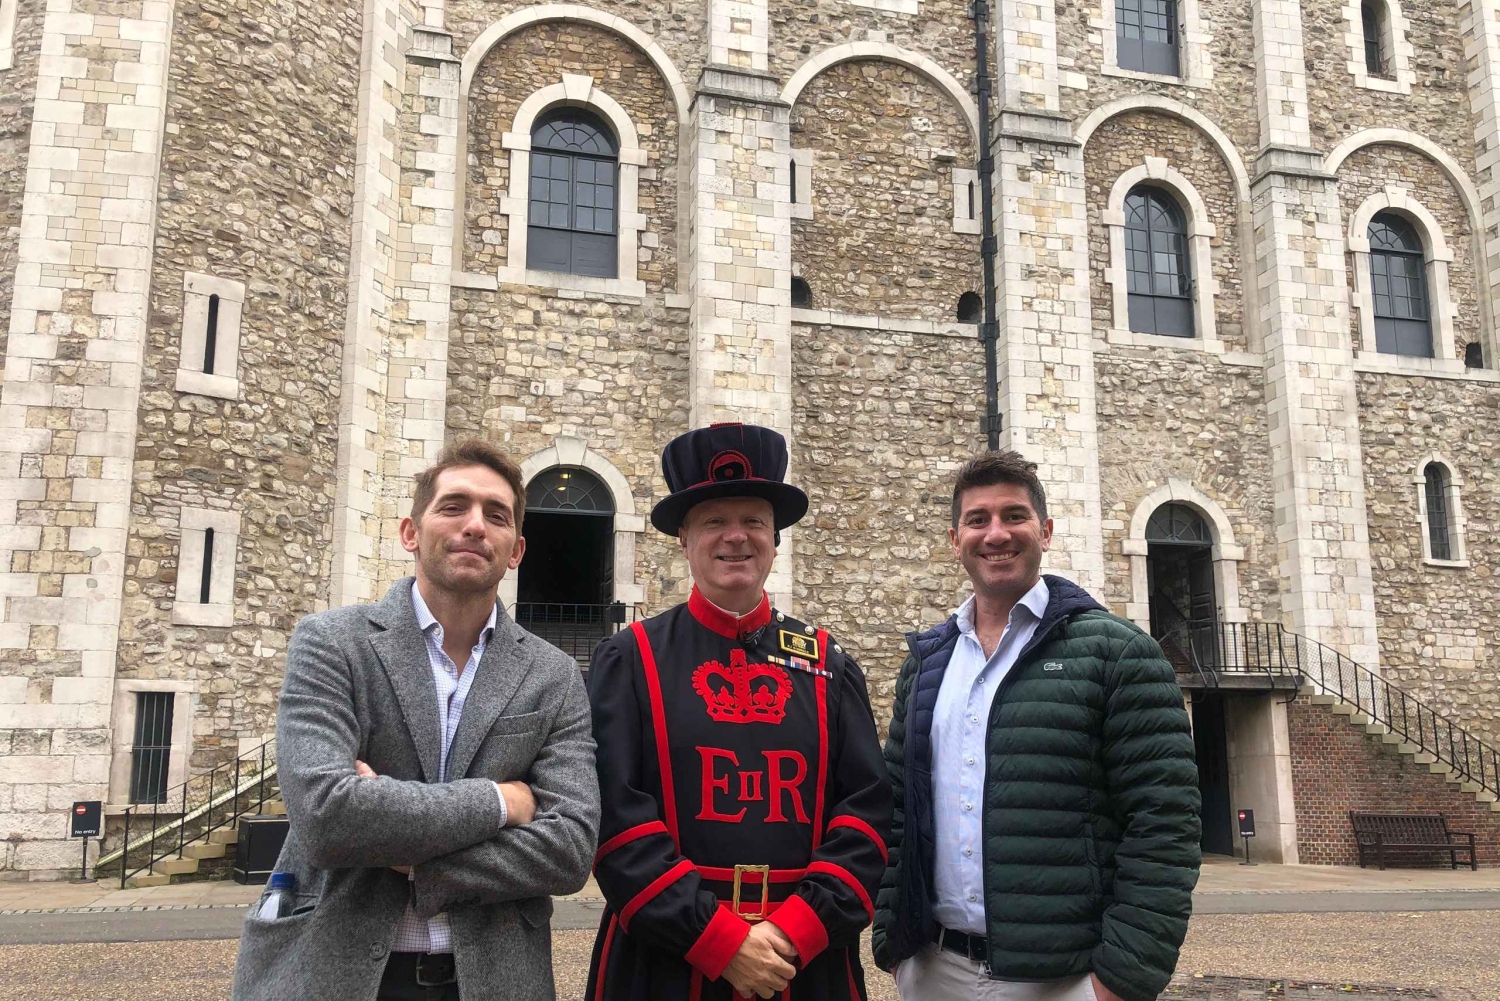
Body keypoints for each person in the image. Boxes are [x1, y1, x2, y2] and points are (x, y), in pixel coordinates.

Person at [232, 440, 600, 1001]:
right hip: (333, 971)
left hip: (495, 980)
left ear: (517, 550)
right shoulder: (333, 643)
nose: (474, 525)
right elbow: (327, 816)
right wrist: (502, 802)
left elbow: (570, 851)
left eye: (496, 515)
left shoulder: (554, 674)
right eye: (453, 507)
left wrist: (413, 857)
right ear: (411, 532)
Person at [872, 451, 1201, 1001]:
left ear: (1045, 532)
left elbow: (1165, 824)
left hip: (1063, 979)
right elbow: (899, 807)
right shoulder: (927, 663)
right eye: (978, 520)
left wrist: (1119, 980)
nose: (996, 534)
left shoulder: (1118, 653)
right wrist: (893, 939)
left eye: (1014, 516)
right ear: (955, 540)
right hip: (933, 969)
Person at [586, 423, 892, 1001]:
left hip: (802, 964)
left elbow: (867, 814)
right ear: (684, 539)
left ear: (775, 538)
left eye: (753, 520)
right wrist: (719, 942)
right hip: (665, 961)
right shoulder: (630, 660)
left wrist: (796, 930)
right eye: (714, 521)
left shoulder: (828, 665)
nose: (736, 537)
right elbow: (614, 818)